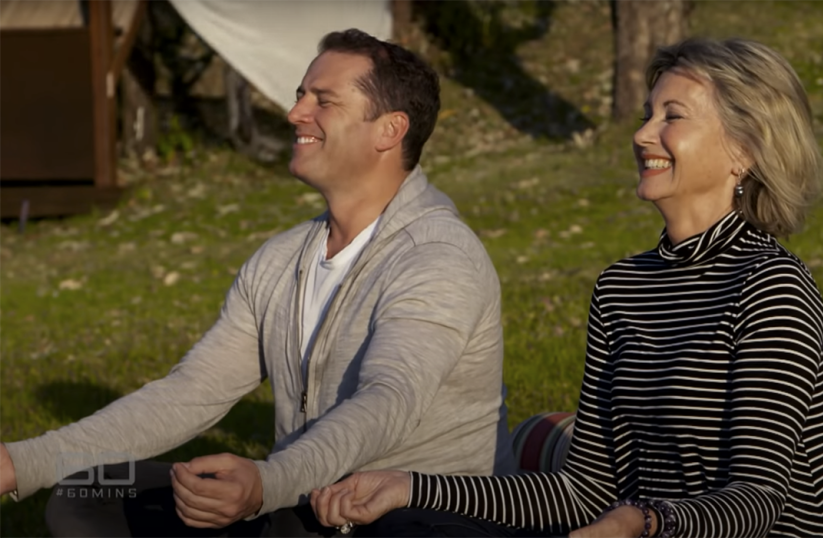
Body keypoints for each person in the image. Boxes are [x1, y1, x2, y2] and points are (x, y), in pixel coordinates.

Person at [311, 38, 823, 538]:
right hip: (650, 528)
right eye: (647, 113)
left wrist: (645, 520)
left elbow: (758, 502)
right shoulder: (622, 286)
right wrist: (409, 486)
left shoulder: (770, 284)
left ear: (744, 149)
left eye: (673, 116)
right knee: (410, 525)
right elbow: (585, 490)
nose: (642, 134)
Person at [0, 28, 515, 538]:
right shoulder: (280, 260)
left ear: (389, 130)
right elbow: (192, 391)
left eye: (324, 100)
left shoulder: (437, 256)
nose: (295, 114)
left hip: (416, 519)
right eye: (299, 96)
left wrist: (267, 483)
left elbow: (388, 398)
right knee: (90, 495)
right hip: (302, 502)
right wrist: (18, 463)